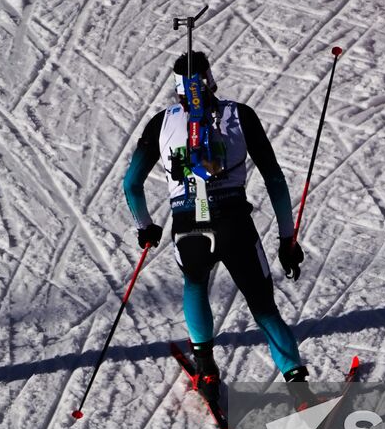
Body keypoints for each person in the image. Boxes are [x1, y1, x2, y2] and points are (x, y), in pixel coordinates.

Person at [122, 51, 312, 406]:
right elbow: (274, 177)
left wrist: (145, 226)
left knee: (194, 283)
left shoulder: (159, 123)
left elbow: (131, 183)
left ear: (178, 91)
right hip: (233, 224)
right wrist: (288, 239)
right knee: (263, 306)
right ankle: (300, 391)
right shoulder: (240, 115)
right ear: (211, 81)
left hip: (187, 228)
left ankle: (206, 368)